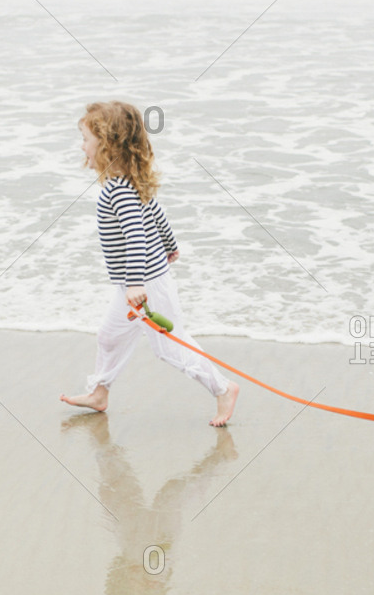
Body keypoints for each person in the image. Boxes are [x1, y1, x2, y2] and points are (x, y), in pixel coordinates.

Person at [60, 101, 240, 426]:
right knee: (109, 336)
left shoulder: (119, 192)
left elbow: (136, 237)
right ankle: (99, 392)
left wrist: (135, 283)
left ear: (107, 144)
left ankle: (224, 389)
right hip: (136, 283)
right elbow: (156, 214)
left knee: (171, 346)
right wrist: (170, 246)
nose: (82, 146)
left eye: (86, 139)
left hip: (145, 285)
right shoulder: (129, 181)